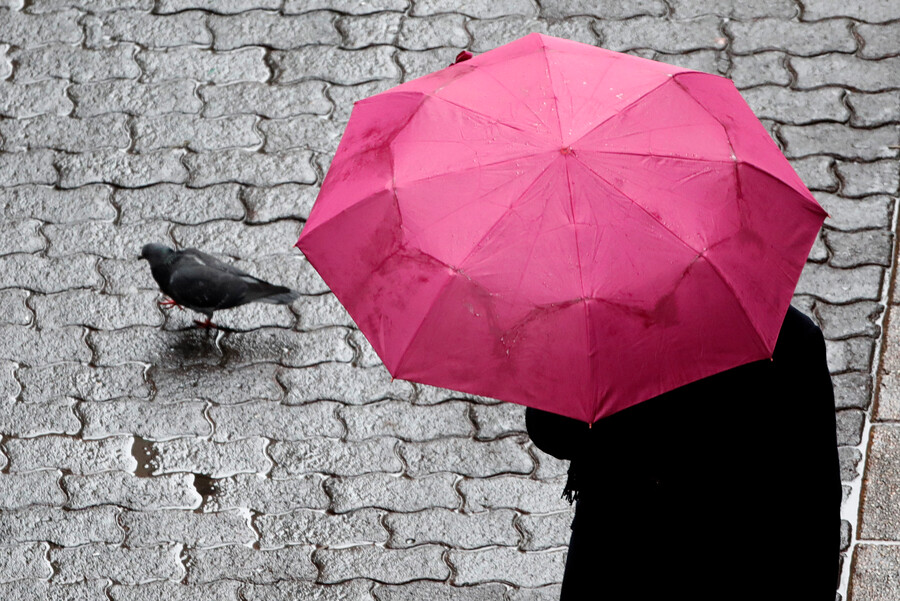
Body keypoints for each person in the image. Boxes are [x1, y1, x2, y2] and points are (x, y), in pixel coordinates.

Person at [526, 305, 841, 600]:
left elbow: (551, 431)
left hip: (619, 560)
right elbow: (816, 503)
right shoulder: (787, 336)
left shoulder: (601, 333)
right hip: (747, 566)